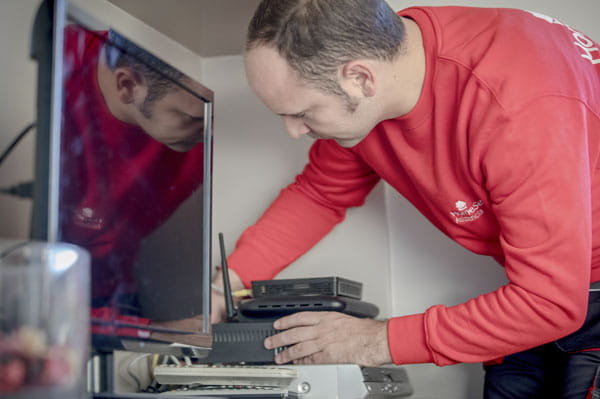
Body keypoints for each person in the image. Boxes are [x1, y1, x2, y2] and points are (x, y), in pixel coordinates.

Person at [210, 0, 600, 397]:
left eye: (303, 113)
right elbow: (321, 193)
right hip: (541, 291)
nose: (293, 131)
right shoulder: (385, 62)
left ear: (361, 79)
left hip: (567, 294)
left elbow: (549, 303)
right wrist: (225, 288)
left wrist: (377, 341)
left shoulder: (518, 104)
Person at [60, 26, 206, 337]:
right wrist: (150, 332)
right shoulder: (57, 73)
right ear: (127, 86)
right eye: (192, 117)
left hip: (118, 291)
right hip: (52, 295)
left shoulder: (194, 100)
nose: (209, 133)